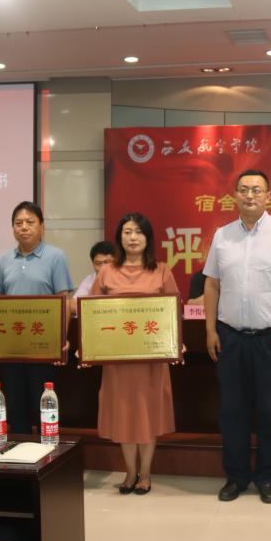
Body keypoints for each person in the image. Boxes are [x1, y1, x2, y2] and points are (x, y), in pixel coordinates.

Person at [203, 169, 271, 504]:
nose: (250, 195)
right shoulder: (222, 235)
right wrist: (210, 330)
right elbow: (212, 284)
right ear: (235, 195)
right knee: (232, 410)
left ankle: (268, 477)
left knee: (269, 410)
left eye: (257, 190)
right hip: (230, 337)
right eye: (244, 189)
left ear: (268, 196)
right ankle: (236, 477)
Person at [79, 213, 178, 496]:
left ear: (148, 237)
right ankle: (130, 472)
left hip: (151, 359)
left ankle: (145, 473)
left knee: (148, 415)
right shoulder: (107, 272)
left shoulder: (161, 271)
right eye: (127, 231)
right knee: (123, 413)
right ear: (119, 237)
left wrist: (176, 340)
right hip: (118, 360)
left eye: (138, 232)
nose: (133, 237)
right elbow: (92, 313)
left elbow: (174, 311)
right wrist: (87, 344)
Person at [0, 201, 73, 434]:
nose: (24, 227)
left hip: (42, 345)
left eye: (30, 222)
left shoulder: (56, 256)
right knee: (15, 404)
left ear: (41, 226)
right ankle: (20, 448)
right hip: (11, 347)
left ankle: (47, 449)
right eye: (18, 223)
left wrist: (61, 340)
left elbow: (63, 300)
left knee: (42, 402)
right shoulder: (5, 259)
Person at [71, 240, 115, 312]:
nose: (103, 268)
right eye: (98, 263)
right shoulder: (89, 280)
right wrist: (96, 311)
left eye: (107, 262)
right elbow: (73, 305)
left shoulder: (122, 277)